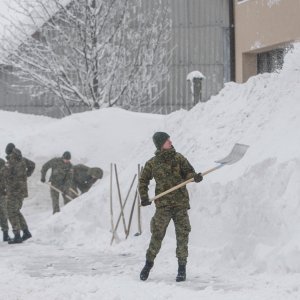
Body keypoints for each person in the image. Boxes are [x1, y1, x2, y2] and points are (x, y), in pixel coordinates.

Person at [138, 132, 203, 282]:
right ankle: (148, 265)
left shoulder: (179, 158)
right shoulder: (152, 163)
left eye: (169, 140)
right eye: (167, 140)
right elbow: (143, 181)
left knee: (183, 235)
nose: (170, 142)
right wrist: (144, 197)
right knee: (157, 235)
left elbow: (188, 172)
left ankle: (182, 269)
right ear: (160, 144)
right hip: (163, 206)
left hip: (180, 204)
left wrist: (194, 177)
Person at [4, 148, 32, 244]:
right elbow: (32, 165)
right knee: (16, 211)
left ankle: (17, 236)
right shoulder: (22, 159)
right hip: (22, 191)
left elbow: (5, 175)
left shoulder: (10, 161)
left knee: (11, 212)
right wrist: (26, 176)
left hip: (13, 191)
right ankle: (26, 232)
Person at [0, 158, 11, 242]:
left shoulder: (2, 162)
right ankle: (5, 234)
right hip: (2, 193)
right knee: (3, 213)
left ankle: (6, 234)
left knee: (3, 213)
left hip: (2, 193)